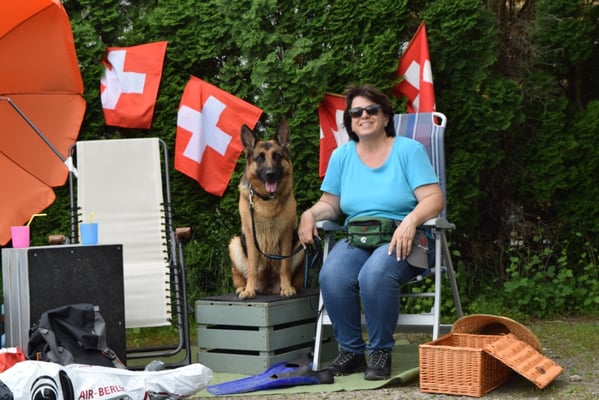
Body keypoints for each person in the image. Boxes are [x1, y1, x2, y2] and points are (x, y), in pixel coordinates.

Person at [298, 84, 444, 380]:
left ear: (385, 116)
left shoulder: (408, 151)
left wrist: (411, 220)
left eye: (371, 110)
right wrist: (309, 214)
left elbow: (434, 198)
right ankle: (352, 353)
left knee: (374, 274)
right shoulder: (341, 156)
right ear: (350, 122)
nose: (363, 116)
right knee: (332, 274)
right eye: (356, 113)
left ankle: (380, 352)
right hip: (359, 238)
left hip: (405, 238)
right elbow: (330, 204)